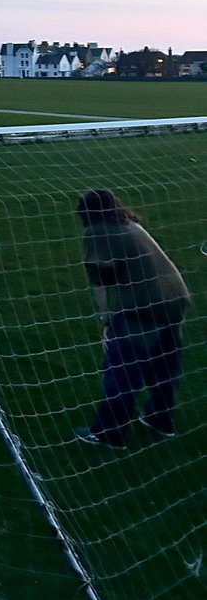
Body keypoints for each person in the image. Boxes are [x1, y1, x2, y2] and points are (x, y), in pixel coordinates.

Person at [74, 188, 190, 448]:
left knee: (123, 369)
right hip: (175, 298)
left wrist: (106, 320)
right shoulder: (130, 225)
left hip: (144, 307)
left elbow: (101, 280)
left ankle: (109, 434)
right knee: (164, 365)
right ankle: (160, 420)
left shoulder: (96, 231)